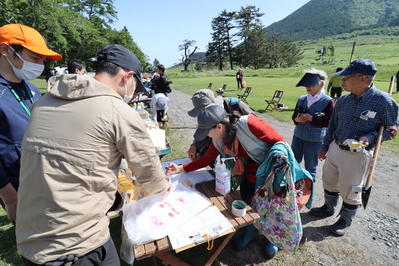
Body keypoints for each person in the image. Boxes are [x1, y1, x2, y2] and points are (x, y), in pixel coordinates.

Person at [16, 44, 171, 265]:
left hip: (30, 236)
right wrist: (163, 186)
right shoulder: (118, 111)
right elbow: (150, 175)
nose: (134, 93)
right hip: (77, 243)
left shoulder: (42, 102)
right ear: (126, 77)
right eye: (135, 86)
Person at [166, 104, 285, 259]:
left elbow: (280, 142)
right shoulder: (219, 140)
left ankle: (272, 238)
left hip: (270, 172)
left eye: (208, 131)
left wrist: (279, 159)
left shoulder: (250, 124)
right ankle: (250, 231)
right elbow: (206, 159)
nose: (207, 136)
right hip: (248, 174)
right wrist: (181, 168)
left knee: (272, 204)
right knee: (248, 202)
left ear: (220, 127)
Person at [310, 59, 398, 237]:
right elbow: (332, 126)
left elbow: (392, 129)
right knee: (329, 180)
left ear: (363, 78)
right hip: (336, 148)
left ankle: (345, 218)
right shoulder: (342, 100)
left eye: (347, 77)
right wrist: (325, 146)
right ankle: (328, 207)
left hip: (358, 154)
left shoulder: (383, 101)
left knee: (351, 189)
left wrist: (371, 137)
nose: (342, 80)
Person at [0, 24, 62, 223]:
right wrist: (9, 197)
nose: (40, 65)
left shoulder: (33, 90)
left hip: (44, 180)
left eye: (43, 60)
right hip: (16, 187)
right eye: (35, 58)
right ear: (5, 50)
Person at [186, 89, 253, 162]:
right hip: (221, 146)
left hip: (243, 148)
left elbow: (254, 123)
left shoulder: (236, 105)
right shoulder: (208, 117)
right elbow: (204, 129)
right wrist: (194, 145)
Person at [291, 69, 334, 181]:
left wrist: (311, 118)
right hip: (298, 137)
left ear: (322, 84)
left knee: (310, 167)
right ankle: (293, 186)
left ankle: (308, 192)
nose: (308, 87)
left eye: (311, 84)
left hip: (314, 140)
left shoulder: (328, 101)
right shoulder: (302, 99)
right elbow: (294, 117)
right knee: (293, 163)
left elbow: (328, 123)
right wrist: (297, 119)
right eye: (306, 85)